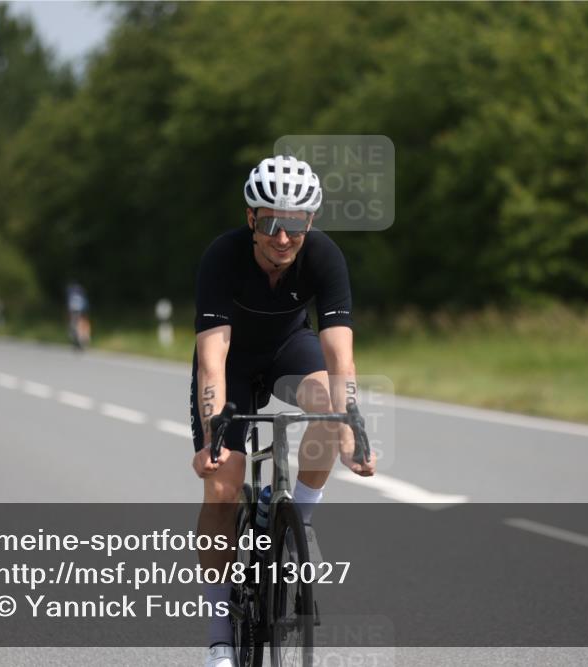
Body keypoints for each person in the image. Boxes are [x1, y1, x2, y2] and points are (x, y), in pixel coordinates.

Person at [191, 155, 376, 667]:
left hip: (289, 350)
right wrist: (212, 436)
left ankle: (302, 521)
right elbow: (212, 359)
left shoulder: (325, 256)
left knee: (329, 406)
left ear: (309, 223)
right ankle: (220, 631)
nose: (282, 237)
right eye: (271, 222)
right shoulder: (222, 257)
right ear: (251, 219)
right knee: (223, 485)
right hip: (231, 362)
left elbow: (340, 355)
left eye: (294, 225)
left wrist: (352, 428)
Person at [65, 281, 90, 350]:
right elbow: (85, 306)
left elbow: (69, 307)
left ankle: (78, 337)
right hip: (80, 311)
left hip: (74, 311)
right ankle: (82, 337)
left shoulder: (71, 294)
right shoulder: (81, 295)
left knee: (73, 324)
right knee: (81, 323)